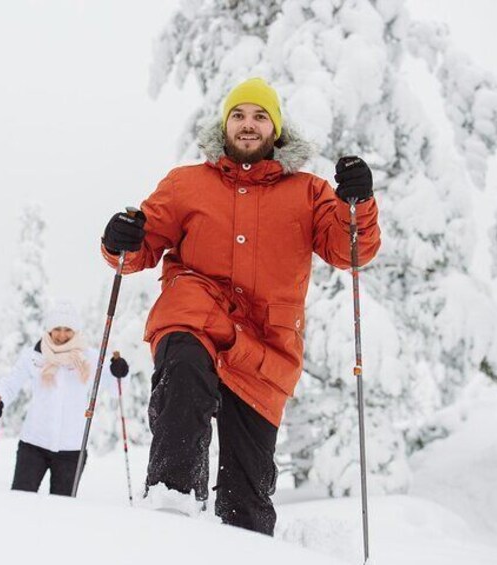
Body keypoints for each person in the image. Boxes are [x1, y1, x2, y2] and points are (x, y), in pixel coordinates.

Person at [99, 78, 381, 534]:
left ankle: (245, 546)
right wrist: (121, 239)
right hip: (197, 317)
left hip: (266, 351)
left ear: (276, 129)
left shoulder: (308, 193)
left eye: (260, 117)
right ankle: (171, 502)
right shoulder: (186, 184)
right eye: (239, 116)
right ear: (224, 125)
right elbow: (139, 247)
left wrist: (358, 203)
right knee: (185, 366)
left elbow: (351, 250)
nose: (248, 126)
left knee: (246, 498)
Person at [0, 299, 129, 495]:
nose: (62, 335)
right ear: (49, 330)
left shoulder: (91, 358)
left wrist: (119, 372)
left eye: (67, 329)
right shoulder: (34, 356)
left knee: (62, 513)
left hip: (72, 449)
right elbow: (11, 383)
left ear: (75, 331)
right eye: (57, 328)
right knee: (20, 502)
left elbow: (116, 389)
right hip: (33, 443)